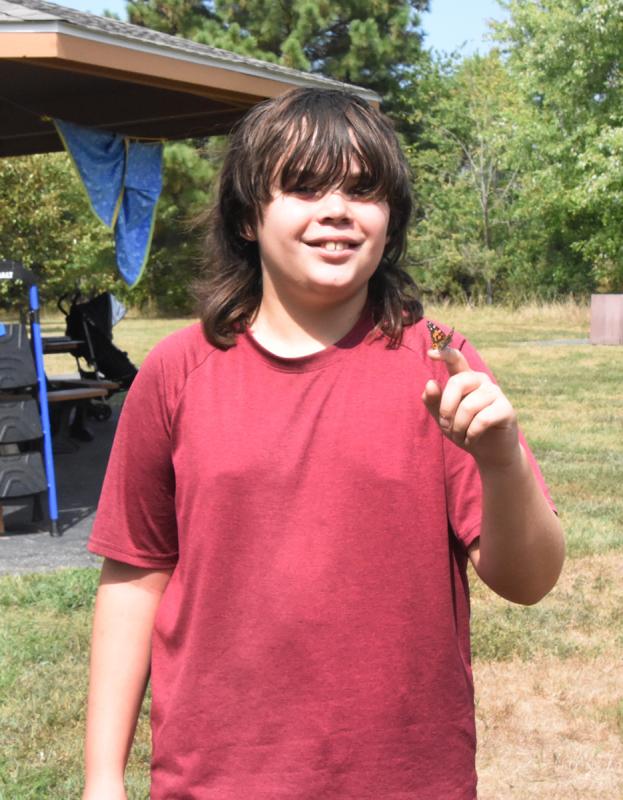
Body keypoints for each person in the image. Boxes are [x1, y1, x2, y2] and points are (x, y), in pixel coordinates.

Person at [82, 88, 564, 800]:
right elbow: (133, 578)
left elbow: (528, 582)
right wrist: (101, 781)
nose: (336, 210)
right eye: (304, 187)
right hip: (215, 779)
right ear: (248, 216)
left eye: (364, 190)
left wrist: (501, 461)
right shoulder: (178, 371)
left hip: (406, 779)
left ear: (390, 218)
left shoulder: (440, 362)